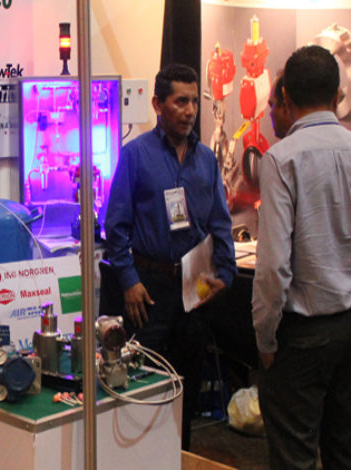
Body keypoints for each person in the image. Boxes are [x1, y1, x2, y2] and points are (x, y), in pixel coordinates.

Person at [253, 45, 351, 470]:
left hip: (301, 335)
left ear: (285, 97)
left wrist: (265, 338)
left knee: (294, 456)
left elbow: (272, 268)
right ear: (339, 94)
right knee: (343, 448)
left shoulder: (281, 159)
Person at [103, 63, 236, 451]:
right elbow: (116, 225)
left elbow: (220, 222)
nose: (190, 110)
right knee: (141, 383)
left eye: (194, 101)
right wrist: (129, 280)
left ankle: (182, 456)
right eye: (181, 101)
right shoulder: (136, 155)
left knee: (186, 388)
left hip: (194, 286)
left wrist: (226, 274)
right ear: (158, 104)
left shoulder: (205, 159)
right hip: (148, 288)